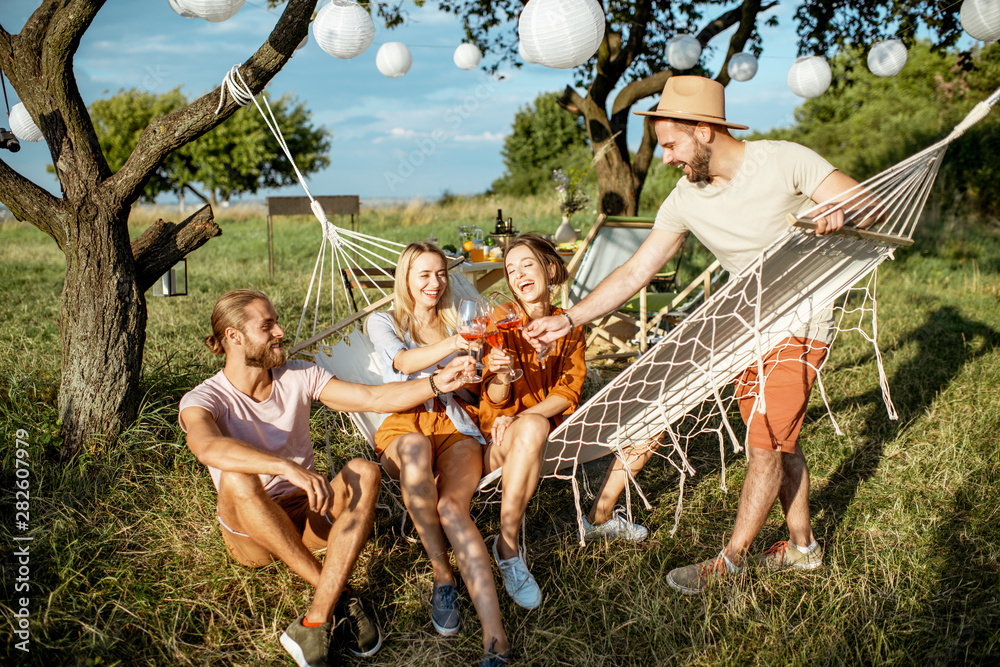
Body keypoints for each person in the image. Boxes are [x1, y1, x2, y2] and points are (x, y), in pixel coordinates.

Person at [527, 75, 861, 595]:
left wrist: (842, 211)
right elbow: (635, 272)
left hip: (803, 318)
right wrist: (568, 319)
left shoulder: (785, 160)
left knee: (766, 444)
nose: (664, 159)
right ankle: (802, 548)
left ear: (705, 130)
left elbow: (867, 203)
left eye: (670, 144)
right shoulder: (685, 199)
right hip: (744, 325)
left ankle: (729, 562)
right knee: (777, 438)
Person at [179, 289, 472, 667]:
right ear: (234, 337)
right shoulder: (205, 398)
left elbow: (373, 398)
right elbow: (206, 447)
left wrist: (436, 383)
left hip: (306, 515)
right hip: (251, 534)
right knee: (237, 477)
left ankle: (315, 619)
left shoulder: (299, 375)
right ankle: (342, 593)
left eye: (276, 322)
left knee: (364, 471)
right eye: (267, 326)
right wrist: (286, 467)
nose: (280, 331)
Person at [366, 243, 509, 667]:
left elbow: (473, 389)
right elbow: (402, 363)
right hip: (406, 421)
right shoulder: (384, 321)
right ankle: (442, 575)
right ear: (406, 279)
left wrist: (477, 373)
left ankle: (495, 640)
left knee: (451, 507)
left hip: (454, 423)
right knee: (412, 454)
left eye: (441, 274)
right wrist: (454, 344)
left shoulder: (457, 316)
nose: (434, 283)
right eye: (424, 275)